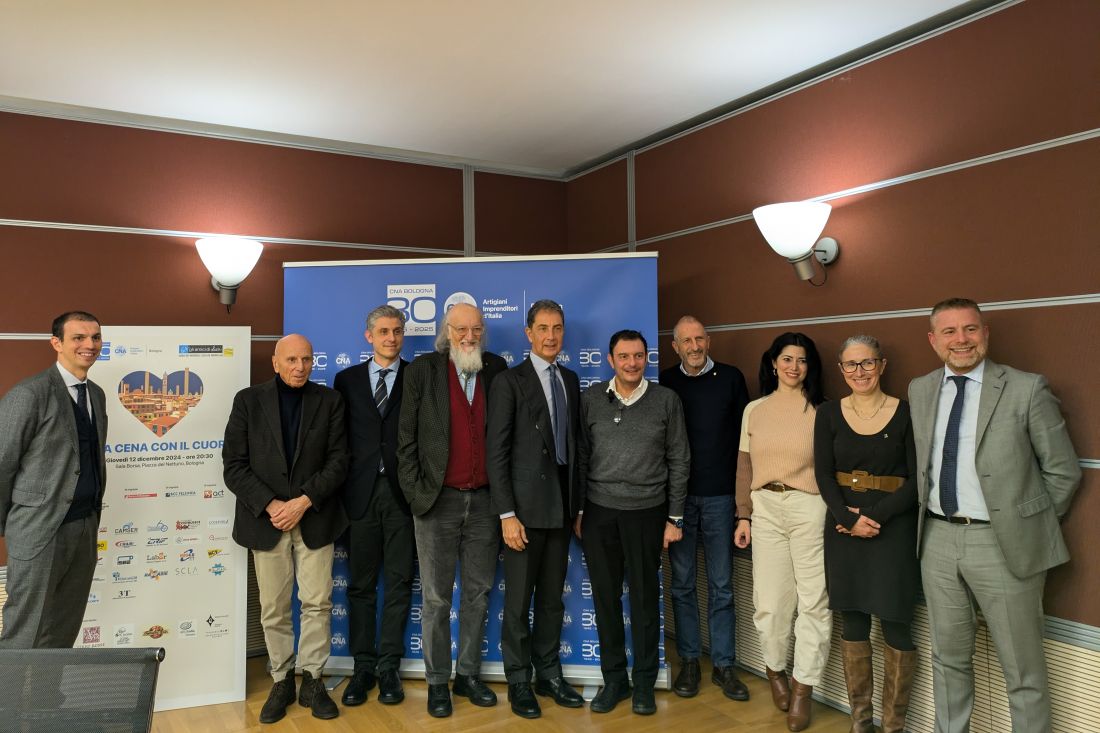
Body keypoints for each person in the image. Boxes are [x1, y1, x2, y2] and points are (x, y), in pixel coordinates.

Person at [909, 298, 1080, 733]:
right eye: (949, 332)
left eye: (970, 329)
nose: (960, 340)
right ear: (933, 340)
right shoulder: (921, 389)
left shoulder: (1026, 388)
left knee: (1022, 671)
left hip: (1003, 545)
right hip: (937, 541)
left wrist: (1026, 527)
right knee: (947, 659)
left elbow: (1062, 471)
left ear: (985, 333)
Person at [223, 334, 349, 723]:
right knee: (274, 608)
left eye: (307, 359)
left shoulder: (329, 402)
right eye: (292, 359)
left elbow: (339, 460)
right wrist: (273, 505)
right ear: (275, 363)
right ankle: (281, 679)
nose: (300, 367)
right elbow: (233, 465)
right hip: (268, 521)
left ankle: (312, 678)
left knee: (317, 603)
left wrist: (304, 501)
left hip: (314, 517)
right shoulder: (248, 401)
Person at [397, 302, 508, 718]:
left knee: (478, 595)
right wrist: (414, 492)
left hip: (485, 502)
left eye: (476, 329)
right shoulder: (423, 371)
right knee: (437, 599)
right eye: (461, 329)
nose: (469, 337)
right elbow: (405, 438)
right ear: (446, 331)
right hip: (435, 502)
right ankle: (437, 681)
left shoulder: (496, 369)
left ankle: (469, 675)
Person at [577, 329, 689, 716]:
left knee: (644, 600)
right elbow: (580, 460)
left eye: (638, 356)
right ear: (610, 360)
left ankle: (643, 683)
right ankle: (615, 682)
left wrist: (674, 517)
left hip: (648, 513)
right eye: (623, 356)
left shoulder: (666, 401)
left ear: (647, 358)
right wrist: (578, 511)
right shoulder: (590, 399)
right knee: (606, 602)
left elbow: (679, 459)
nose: (631, 363)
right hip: (599, 513)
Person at [814, 335, 919, 733]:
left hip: (893, 527)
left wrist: (873, 516)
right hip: (843, 527)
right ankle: (862, 721)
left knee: (896, 621)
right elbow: (823, 473)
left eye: (868, 363)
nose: (860, 372)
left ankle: (893, 725)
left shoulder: (906, 413)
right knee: (854, 622)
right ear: (841, 370)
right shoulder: (827, 414)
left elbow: (915, 480)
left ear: (882, 365)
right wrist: (846, 516)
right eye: (852, 365)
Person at [486, 299, 585, 718]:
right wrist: (507, 514)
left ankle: (549, 675)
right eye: (542, 328)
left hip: (562, 510)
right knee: (518, 603)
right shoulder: (509, 381)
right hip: (523, 514)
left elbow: (576, 448)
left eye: (557, 328)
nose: (551, 336)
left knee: (550, 602)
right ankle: (519, 681)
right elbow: (497, 452)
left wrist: (578, 507)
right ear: (528, 333)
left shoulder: (570, 378)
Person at [733, 332, 829, 732]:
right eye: (787, 359)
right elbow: (745, 466)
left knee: (814, 604)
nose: (794, 366)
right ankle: (775, 670)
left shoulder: (824, 411)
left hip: (810, 507)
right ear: (773, 362)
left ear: (810, 366)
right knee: (771, 604)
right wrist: (743, 515)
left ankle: (802, 687)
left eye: (802, 360)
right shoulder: (754, 409)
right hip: (766, 508)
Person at [0, 311, 106, 649]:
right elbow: (3, 463)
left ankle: (48, 699)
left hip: (85, 528)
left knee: (63, 628)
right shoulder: (29, 394)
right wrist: (14, 526)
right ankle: (11, 703)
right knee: (24, 631)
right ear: (56, 343)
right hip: (38, 530)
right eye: (79, 338)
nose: (89, 345)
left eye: (95, 337)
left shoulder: (98, 395)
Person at [659, 315, 750, 701]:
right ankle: (691, 662)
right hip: (677, 501)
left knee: (722, 586)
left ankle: (725, 666)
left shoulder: (731, 378)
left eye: (700, 339)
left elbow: (747, 442)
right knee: (681, 585)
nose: (694, 347)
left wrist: (743, 504)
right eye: (686, 341)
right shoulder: (665, 382)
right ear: (675, 347)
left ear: (708, 341)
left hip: (720, 499)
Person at [333, 305, 412, 707]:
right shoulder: (345, 380)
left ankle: (389, 668)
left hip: (404, 496)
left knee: (398, 584)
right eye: (383, 331)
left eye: (397, 331)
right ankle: (363, 667)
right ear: (368, 336)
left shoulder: (418, 376)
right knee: (361, 586)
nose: (391, 338)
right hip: (360, 495)